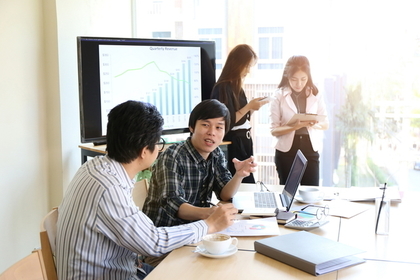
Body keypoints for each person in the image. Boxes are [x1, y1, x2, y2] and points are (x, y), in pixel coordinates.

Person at [55, 100, 238, 280]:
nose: (159, 148)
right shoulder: (108, 188)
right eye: (158, 142)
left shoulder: (95, 167)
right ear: (144, 150)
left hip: (124, 266)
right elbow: (154, 243)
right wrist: (210, 224)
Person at [143, 99, 256, 228]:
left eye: (219, 127)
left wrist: (239, 175)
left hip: (197, 228)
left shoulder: (216, 153)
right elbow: (174, 205)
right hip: (166, 233)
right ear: (192, 127)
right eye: (205, 125)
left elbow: (224, 194)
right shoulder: (173, 156)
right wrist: (211, 213)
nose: (212, 132)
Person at [210, 44, 269, 183]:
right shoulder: (223, 87)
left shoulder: (237, 86)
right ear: (238, 64)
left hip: (244, 140)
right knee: (241, 182)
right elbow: (227, 121)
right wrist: (249, 106)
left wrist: (252, 109)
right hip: (235, 143)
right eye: (247, 66)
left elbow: (241, 119)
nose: (248, 71)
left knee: (246, 180)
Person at [270, 55, 329, 186]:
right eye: (294, 79)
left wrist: (313, 124)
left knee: (311, 192)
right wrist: (294, 127)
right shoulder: (278, 96)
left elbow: (325, 124)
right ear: (287, 77)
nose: (299, 84)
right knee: (289, 194)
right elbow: (274, 131)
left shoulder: (316, 93)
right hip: (286, 151)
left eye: (303, 79)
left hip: (310, 148)